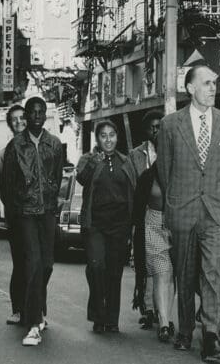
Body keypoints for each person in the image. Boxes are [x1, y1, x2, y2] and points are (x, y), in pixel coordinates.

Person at [157, 63, 220, 360]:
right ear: (190, 88)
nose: (213, 88)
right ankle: (185, 329)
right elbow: (165, 172)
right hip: (183, 209)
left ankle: (212, 336)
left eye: (215, 83)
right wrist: (178, 198)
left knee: (212, 273)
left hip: (215, 211)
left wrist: (215, 195)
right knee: (185, 274)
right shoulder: (170, 125)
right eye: (206, 83)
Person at [0, 97, 65, 348]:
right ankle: (34, 323)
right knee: (34, 263)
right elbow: (7, 184)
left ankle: (31, 306)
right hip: (25, 213)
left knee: (46, 265)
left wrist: (50, 200)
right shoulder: (15, 145)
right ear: (27, 115)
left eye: (41, 112)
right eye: (32, 112)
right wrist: (17, 210)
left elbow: (57, 177)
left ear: (45, 115)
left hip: (47, 212)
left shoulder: (55, 144)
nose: (37, 115)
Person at [77, 120, 137, 334]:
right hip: (95, 225)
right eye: (103, 135)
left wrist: (132, 227)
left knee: (114, 272)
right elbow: (81, 178)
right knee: (96, 267)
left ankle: (111, 319)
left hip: (119, 225)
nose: (108, 139)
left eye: (112, 135)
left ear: (117, 137)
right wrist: (95, 161)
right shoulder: (88, 159)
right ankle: (97, 314)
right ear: (97, 139)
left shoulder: (125, 161)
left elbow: (134, 192)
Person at [132, 120, 175, 343]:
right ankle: (165, 324)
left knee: (172, 276)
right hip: (153, 226)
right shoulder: (147, 177)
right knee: (162, 272)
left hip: (178, 227)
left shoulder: (184, 176)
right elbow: (137, 211)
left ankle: (164, 314)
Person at [129, 109, 164, 330]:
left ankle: (162, 308)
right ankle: (149, 308)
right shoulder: (136, 155)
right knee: (147, 264)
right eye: (152, 127)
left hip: (166, 215)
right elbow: (132, 186)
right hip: (143, 216)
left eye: (159, 126)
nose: (156, 130)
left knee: (164, 267)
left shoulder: (173, 151)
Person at [0, 104, 27, 326]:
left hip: (38, 215)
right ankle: (17, 309)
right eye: (13, 120)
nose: (18, 122)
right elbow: (0, 187)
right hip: (17, 217)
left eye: (21, 118)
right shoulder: (3, 154)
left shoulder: (38, 147)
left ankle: (38, 311)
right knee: (20, 263)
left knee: (38, 265)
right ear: (9, 124)